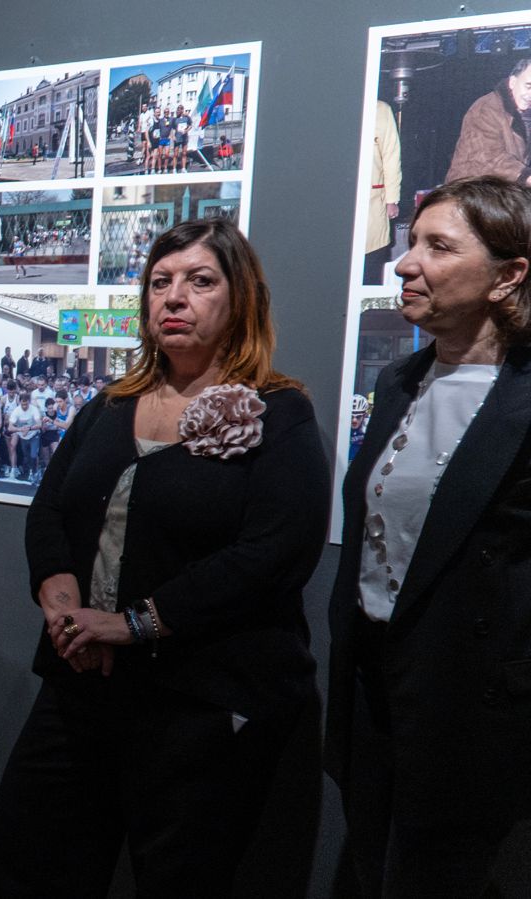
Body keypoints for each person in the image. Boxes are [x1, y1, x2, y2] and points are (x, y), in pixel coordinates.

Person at [0, 217, 329, 897]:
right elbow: (51, 512)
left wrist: (131, 623)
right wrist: (63, 610)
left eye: (200, 281)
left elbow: (272, 554)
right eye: (160, 283)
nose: (174, 298)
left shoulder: (276, 413)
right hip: (79, 682)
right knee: (30, 856)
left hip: (197, 702)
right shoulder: (110, 404)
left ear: (240, 301)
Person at [326, 176, 531, 899]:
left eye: (437, 246)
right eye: (412, 242)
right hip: (375, 692)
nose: (406, 263)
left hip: (471, 716)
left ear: (509, 276)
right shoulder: (401, 382)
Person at [446, 58, 531, 184]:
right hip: (470, 193)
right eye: (528, 86)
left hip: (502, 193)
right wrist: (526, 177)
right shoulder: (486, 107)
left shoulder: (525, 116)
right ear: (512, 82)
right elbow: (487, 157)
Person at [365, 99, 403, 285]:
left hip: (372, 203)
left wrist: (392, 200)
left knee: (371, 260)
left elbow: (391, 156)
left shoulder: (381, 110)